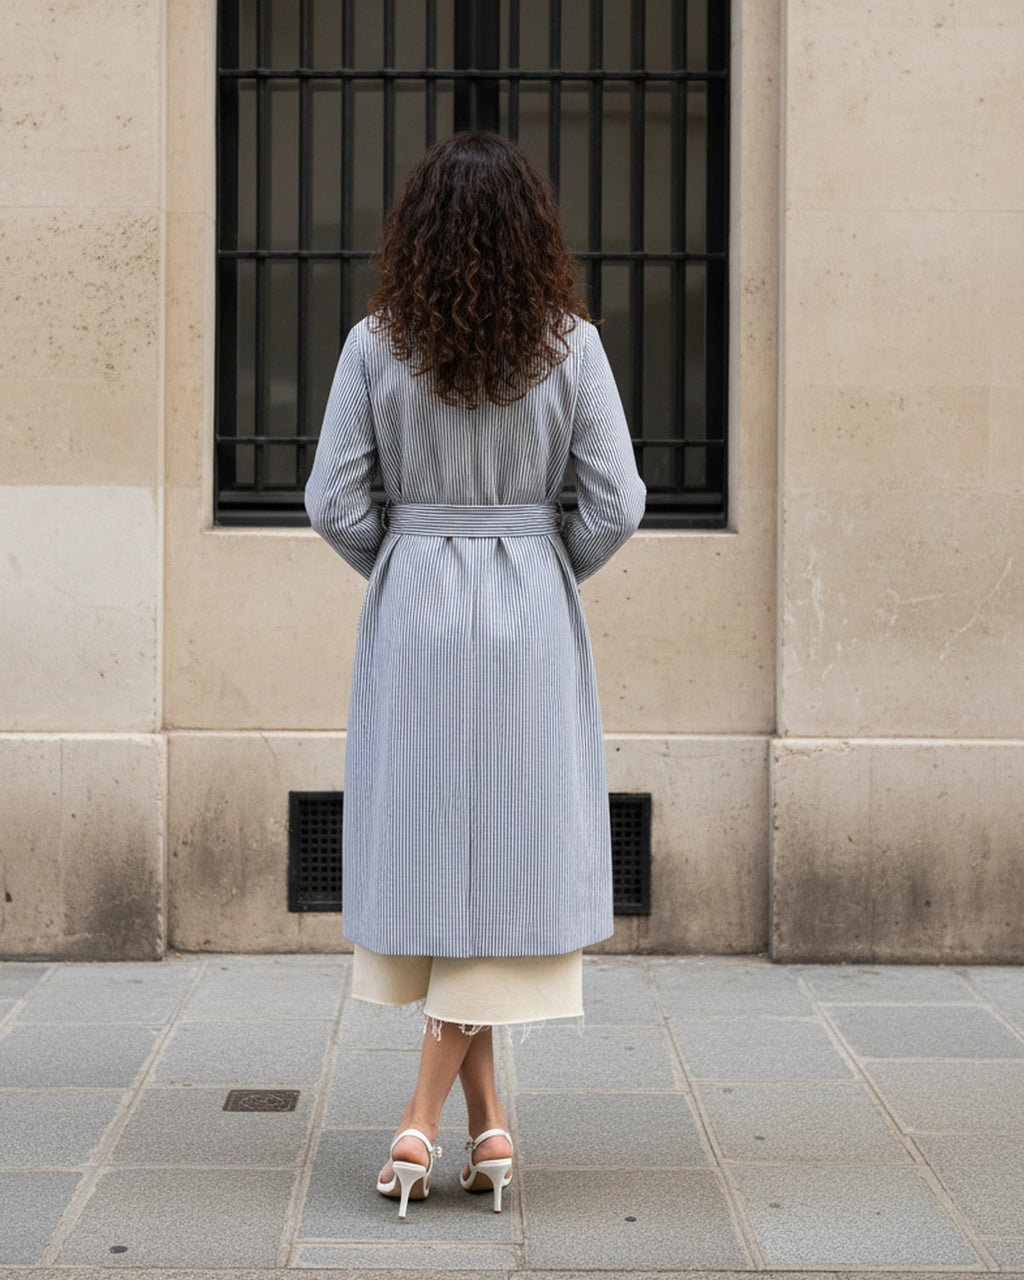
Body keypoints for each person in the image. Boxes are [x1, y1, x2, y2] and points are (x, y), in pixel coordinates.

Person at [304, 130, 646, 1220]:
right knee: (499, 855)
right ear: (534, 231)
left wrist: (404, 559)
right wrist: (544, 564)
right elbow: (617, 501)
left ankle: (429, 1117)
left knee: (441, 848)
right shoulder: (572, 345)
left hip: (415, 608)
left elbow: (332, 501)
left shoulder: (375, 345)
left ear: (415, 234)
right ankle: (474, 1126)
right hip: (527, 610)